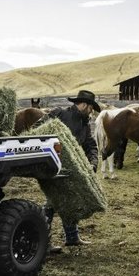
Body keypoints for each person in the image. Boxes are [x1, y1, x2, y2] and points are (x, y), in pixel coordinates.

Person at [45, 89, 101, 251]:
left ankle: (72, 237)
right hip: (53, 167)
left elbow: (90, 145)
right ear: (83, 104)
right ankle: (42, 240)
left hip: (72, 169)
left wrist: (93, 163)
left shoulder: (84, 124)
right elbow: (37, 131)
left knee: (69, 199)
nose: (91, 111)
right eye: (91, 107)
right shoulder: (59, 114)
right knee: (52, 202)